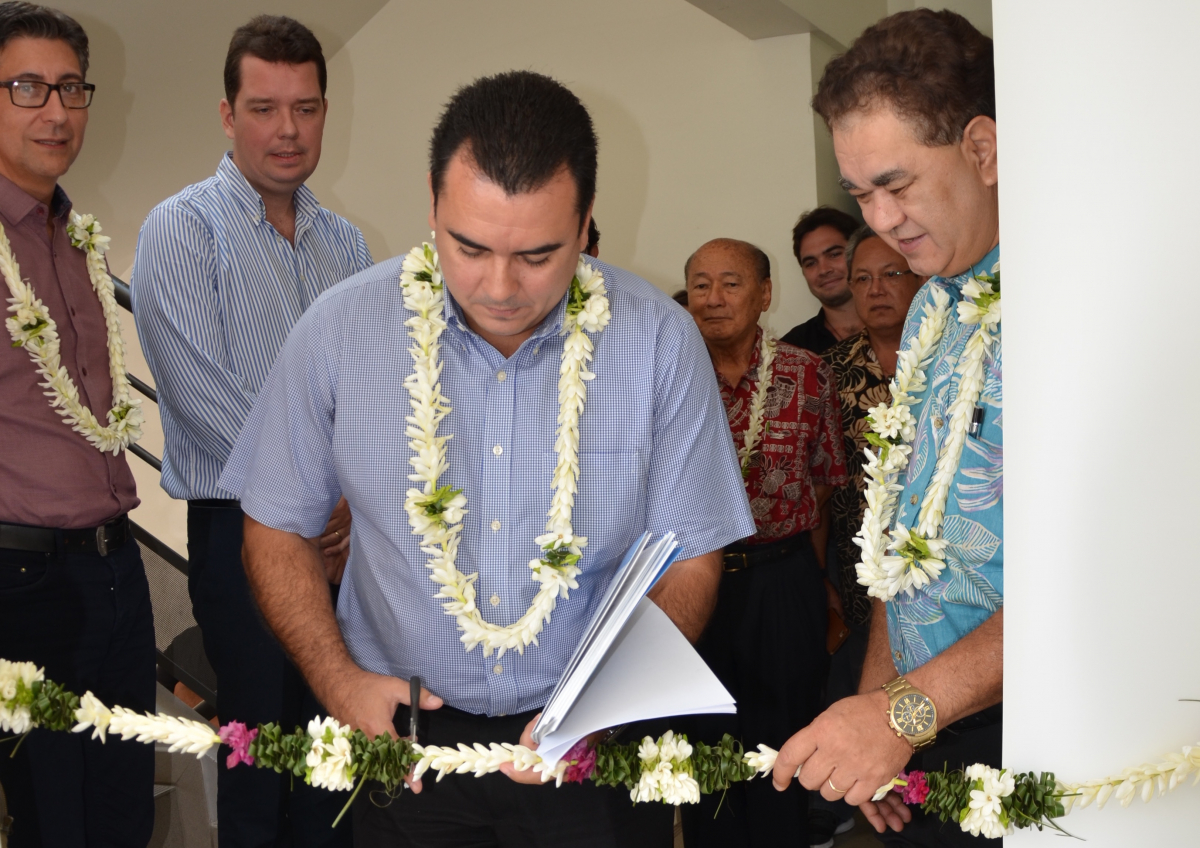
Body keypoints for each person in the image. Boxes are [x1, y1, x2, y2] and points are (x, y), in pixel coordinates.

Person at [218, 70, 754, 848]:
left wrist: (604, 701)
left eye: (538, 254)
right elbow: (274, 529)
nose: (500, 287)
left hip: (587, 748)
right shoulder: (338, 332)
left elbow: (692, 556)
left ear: (585, 224)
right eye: (469, 246)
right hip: (405, 742)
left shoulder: (657, 342)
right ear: (432, 207)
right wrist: (337, 684)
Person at [130, 15, 372, 846]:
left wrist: (352, 499)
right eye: (265, 109)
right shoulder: (181, 228)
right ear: (228, 116)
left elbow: (367, 391)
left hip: (342, 536)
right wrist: (317, 495)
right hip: (243, 531)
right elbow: (204, 398)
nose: (288, 130)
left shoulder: (346, 244)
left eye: (305, 108)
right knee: (264, 761)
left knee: (334, 757)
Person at [771, 11, 1002, 847]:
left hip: (1040, 723)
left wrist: (901, 713)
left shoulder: (1074, 298)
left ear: (983, 148)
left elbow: (1096, 573)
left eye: (897, 184)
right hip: (925, 724)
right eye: (861, 194)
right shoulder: (933, 303)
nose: (883, 220)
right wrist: (877, 710)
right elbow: (899, 540)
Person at [0, 4, 155, 845]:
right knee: (55, 823)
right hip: (23, 587)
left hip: (117, 570)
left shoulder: (76, 237)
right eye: (26, 87)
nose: (54, 111)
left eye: (69, 88)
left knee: (125, 814)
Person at [681, 238, 847, 848]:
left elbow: (826, 481)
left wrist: (815, 574)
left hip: (782, 578)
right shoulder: (667, 373)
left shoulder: (807, 373)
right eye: (700, 284)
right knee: (700, 738)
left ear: (765, 293)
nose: (713, 297)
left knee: (783, 735)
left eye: (730, 282)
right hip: (692, 581)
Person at [812, 225, 926, 847]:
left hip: (946, 572)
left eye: (892, 274)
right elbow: (824, 489)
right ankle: (884, 793)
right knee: (869, 691)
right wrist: (825, 581)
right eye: (863, 279)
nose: (876, 289)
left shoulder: (948, 358)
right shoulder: (832, 370)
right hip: (861, 578)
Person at [781, 206, 861, 354]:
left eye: (834, 254)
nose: (824, 270)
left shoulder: (905, 327)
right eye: (811, 263)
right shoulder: (792, 350)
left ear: (860, 253)